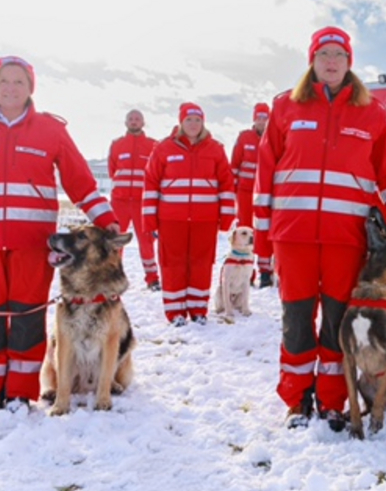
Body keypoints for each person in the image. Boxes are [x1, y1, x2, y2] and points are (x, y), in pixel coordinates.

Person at [254, 26, 386, 431]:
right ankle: (297, 401)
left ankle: (333, 401)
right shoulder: (286, 108)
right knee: (296, 322)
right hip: (292, 237)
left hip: (345, 241)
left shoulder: (371, 114)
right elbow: (265, 179)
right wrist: (262, 241)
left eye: (339, 55)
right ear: (312, 60)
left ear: (350, 63)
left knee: (335, 325)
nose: (331, 62)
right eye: (324, 54)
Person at [0, 56, 118, 419]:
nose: (10, 88)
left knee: (27, 318)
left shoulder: (51, 131)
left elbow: (80, 182)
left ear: (31, 88)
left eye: (19, 81)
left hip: (33, 244)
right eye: (4, 80)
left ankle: (19, 394)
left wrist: (107, 221)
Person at [143, 102, 235, 326]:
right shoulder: (164, 148)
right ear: (181, 122)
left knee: (201, 263)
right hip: (171, 219)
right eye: (189, 120)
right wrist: (149, 217)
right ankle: (175, 313)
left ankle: (198, 309)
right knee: (172, 264)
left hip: (205, 219)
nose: (193, 124)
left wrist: (227, 216)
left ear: (203, 122)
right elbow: (151, 183)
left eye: (197, 120)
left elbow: (226, 183)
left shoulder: (215, 149)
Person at [108, 109, 160, 291]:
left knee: (146, 241)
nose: (134, 121)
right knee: (116, 241)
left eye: (137, 119)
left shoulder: (153, 145)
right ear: (126, 122)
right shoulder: (117, 145)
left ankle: (152, 278)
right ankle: (113, 277)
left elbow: (157, 173)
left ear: (143, 123)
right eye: (130, 119)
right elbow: (112, 170)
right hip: (120, 202)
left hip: (142, 202)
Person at [230, 102, 274, 287]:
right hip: (245, 192)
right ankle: (245, 271)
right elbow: (234, 164)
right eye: (259, 118)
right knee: (244, 231)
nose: (262, 122)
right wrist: (232, 192)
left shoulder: (274, 138)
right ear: (254, 119)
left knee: (264, 231)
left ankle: (265, 271)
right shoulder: (244, 137)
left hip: (265, 192)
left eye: (265, 118)